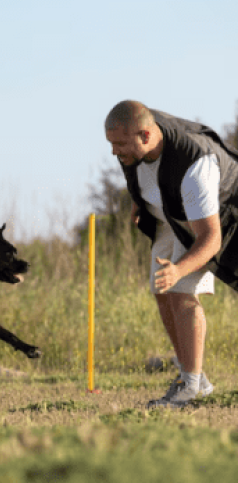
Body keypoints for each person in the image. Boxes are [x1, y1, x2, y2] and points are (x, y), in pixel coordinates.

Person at [104, 100, 238, 408]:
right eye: (111, 143)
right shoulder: (135, 134)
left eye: (120, 144)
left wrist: (179, 270)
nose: (114, 152)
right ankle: (194, 378)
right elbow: (142, 169)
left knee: (180, 290)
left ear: (146, 136)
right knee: (161, 290)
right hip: (170, 212)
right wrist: (141, 201)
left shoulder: (194, 168)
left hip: (210, 219)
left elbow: (211, 238)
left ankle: (190, 387)